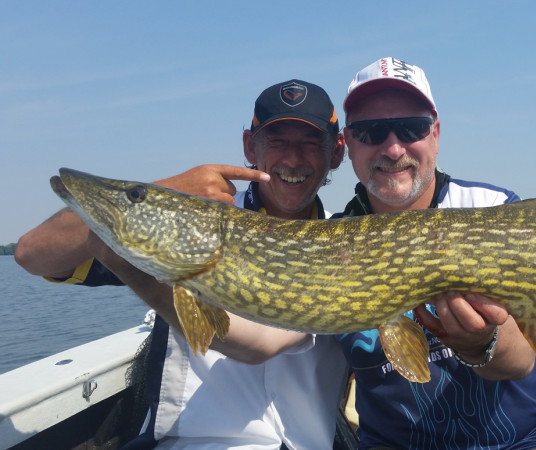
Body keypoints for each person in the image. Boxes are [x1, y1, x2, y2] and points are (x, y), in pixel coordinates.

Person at [15, 80, 350, 449]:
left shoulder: (345, 244)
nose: (292, 159)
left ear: (336, 153)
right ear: (248, 146)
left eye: (309, 143)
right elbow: (31, 254)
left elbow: (257, 346)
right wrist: (168, 189)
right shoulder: (183, 223)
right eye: (277, 141)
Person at [333, 57, 536, 449]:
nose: (393, 147)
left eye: (411, 128)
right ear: (348, 145)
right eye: (371, 132)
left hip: (525, 440)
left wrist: (482, 344)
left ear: (435, 133)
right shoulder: (328, 239)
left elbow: (525, 361)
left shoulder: (494, 209)